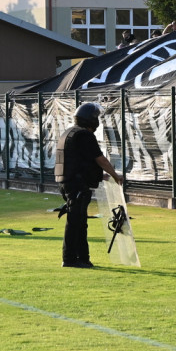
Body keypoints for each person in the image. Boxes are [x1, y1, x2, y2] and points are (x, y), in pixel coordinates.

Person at [54, 102, 123, 268]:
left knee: (78, 221)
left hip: (67, 182)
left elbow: (80, 161)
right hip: (77, 185)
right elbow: (100, 159)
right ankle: (70, 259)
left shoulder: (69, 133)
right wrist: (115, 175)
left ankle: (83, 258)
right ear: (92, 120)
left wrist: (101, 175)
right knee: (75, 221)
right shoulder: (85, 135)